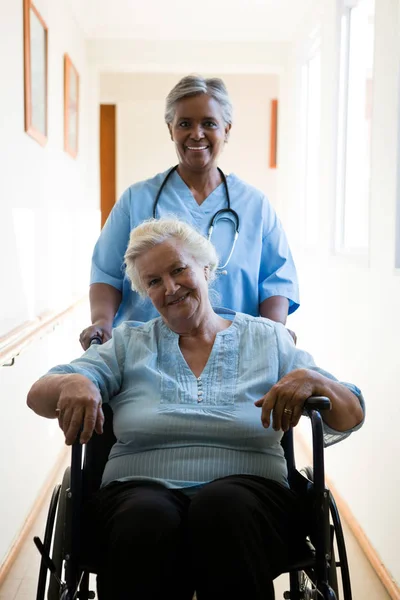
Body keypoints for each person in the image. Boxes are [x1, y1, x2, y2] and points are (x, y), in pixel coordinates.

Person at [28, 219, 365, 600]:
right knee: (146, 519)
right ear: (146, 293)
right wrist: (73, 381)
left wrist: (315, 382)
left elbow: (351, 412)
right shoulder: (128, 343)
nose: (170, 288)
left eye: (178, 269)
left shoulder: (267, 339)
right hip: (137, 493)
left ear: (206, 268)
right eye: (153, 282)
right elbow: (38, 393)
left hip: (250, 499)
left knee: (221, 509)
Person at [79, 74, 300, 350]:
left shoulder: (256, 206)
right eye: (185, 124)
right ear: (170, 129)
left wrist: (274, 333)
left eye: (209, 123)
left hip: (238, 356)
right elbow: (106, 273)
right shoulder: (136, 199)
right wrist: (101, 323)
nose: (197, 134)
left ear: (227, 130)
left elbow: (276, 282)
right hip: (147, 355)